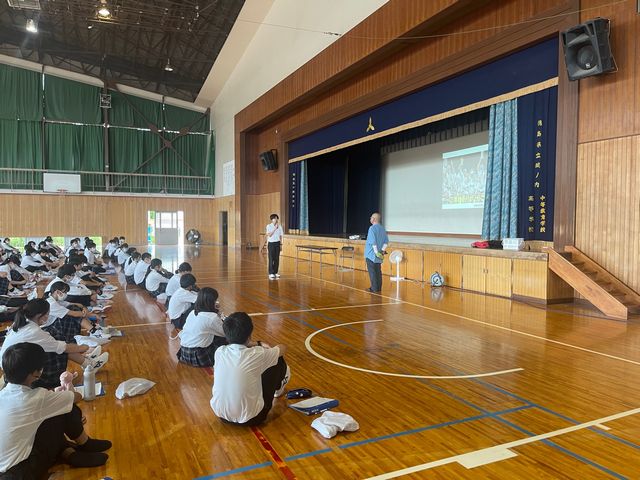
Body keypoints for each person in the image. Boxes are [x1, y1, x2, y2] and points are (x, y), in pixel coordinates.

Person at [0, 343, 111, 477]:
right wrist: (65, 389)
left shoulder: (3, 394)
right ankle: (83, 444)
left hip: (7, 470)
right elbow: (76, 397)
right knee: (65, 409)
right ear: (36, 372)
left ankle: (68, 453)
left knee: (50, 414)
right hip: (22, 471)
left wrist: (53, 395)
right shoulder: (37, 397)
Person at [210, 312, 290, 426]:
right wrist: (261, 345)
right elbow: (282, 348)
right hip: (253, 418)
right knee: (277, 360)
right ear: (249, 335)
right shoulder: (257, 354)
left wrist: (256, 343)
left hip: (222, 416)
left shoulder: (219, 352)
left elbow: (238, 346)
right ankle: (279, 389)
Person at [176, 288, 227, 367]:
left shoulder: (193, 312)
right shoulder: (212, 317)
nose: (216, 302)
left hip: (183, 353)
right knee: (226, 339)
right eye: (215, 300)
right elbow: (225, 333)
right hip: (198, 356)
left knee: (212, 334)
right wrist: (220, 315)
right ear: (211, 302)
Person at [364, 212, 389, 293]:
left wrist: (376, 252)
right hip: (379, 254)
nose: (370, 219)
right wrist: (382, 251)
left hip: (371, 254)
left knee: (372, 272)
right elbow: (386, 242)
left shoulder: (372, 228)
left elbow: (373, 242)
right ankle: (378, 288)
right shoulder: (382, 229)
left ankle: (374, 288)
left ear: (374, 219)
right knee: (378, 271)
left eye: (371, 217)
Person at [265, 213, 283, 280]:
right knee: (271, 258)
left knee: (277, 258)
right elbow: (269, 235)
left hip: (277, 243)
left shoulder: (280, 226)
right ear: (272, 219)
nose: (276, 220)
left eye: (276, 218)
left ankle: (275, 272)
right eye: (275, 218)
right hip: (271, 244)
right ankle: (271, 273)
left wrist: (281, 244)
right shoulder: (268, 226)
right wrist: (275, 228)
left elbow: (281, 236)